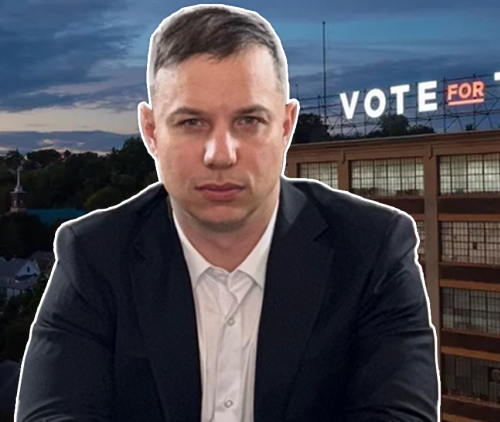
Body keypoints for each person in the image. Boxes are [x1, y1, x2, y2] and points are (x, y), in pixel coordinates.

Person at [15, 5, 439, 422]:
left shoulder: (373, 248)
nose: (221, 154)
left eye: (249, 120)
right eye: (192, 123)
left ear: (287, 125)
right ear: (150, 131)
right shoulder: (94, 255)